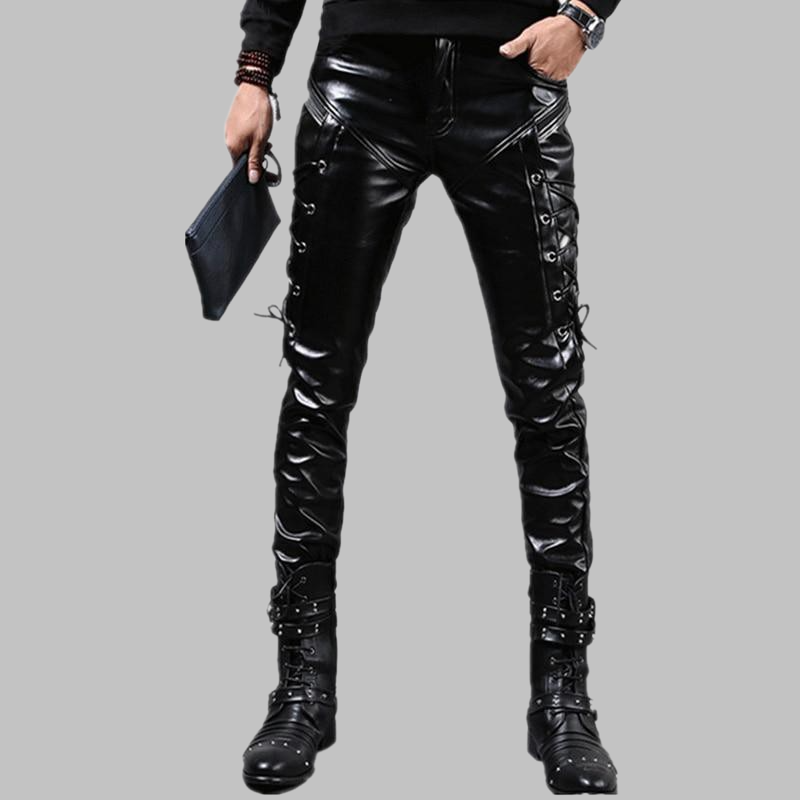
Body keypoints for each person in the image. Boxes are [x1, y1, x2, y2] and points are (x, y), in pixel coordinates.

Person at [224, 1, 622, 794]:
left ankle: (564, 697)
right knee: (317, 388)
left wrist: (585, 14)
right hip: (363, 75)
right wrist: (254, 70)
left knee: (548, 393)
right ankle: (302, 688)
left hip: (510, 77)